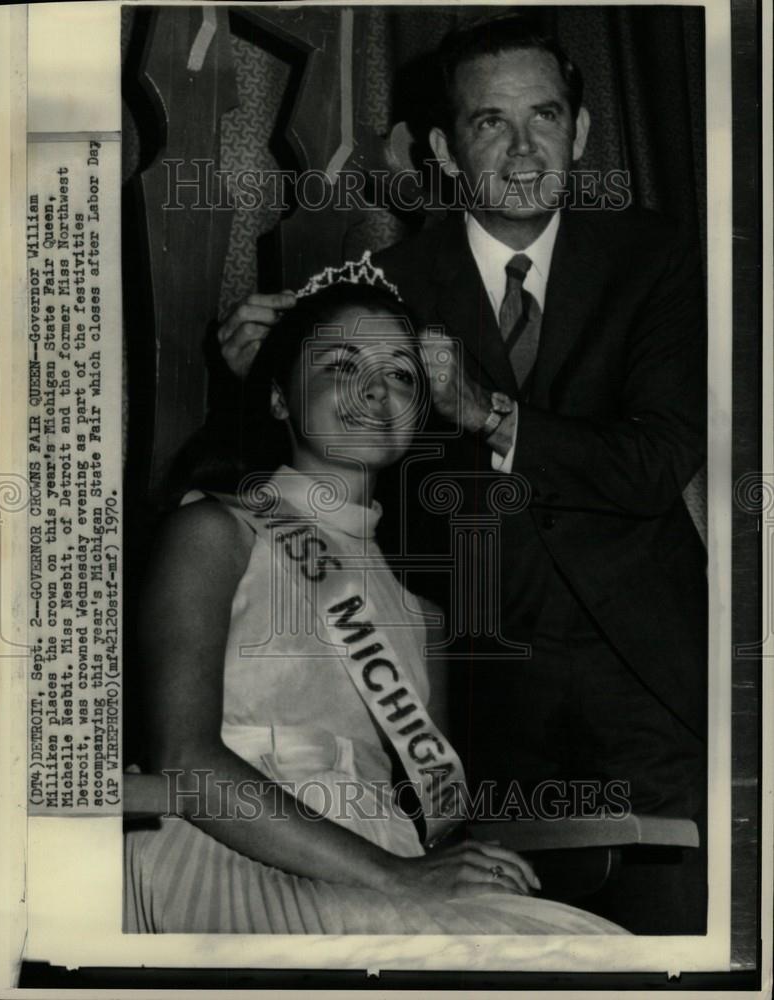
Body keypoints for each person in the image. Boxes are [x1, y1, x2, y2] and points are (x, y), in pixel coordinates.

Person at [217, 16, 707, 934]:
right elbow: (311, 477)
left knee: (672, 946)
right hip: (474, 702)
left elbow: (654, 463)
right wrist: (247, 380)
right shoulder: (379, 283)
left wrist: (493, 414)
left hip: (648, 679)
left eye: (546, 117)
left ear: (583, 133)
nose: (525, 150)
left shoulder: (659, 259)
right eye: (490, 123)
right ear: (444, 147)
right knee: (515, 955)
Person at [125, 275, 625, 935]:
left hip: (389, 862)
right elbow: (184, 762)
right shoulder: (217, 533)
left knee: (591, 949)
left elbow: (439, 821)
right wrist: (400, 876)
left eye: (401, 375)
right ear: (279, 399)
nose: (375, 389)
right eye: (340, 366)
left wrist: (456, 861)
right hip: (232, 854)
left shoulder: (421, 615)